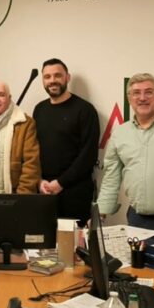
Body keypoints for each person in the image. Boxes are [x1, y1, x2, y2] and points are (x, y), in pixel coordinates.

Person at [97, 73, 154, 232]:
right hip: (136, 218)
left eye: (149, 92)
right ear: (129, 98)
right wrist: (101, 213)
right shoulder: (120, 133)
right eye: (136, 93)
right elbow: (111, 176)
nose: (142, 98)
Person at [33, 58, 99, 225]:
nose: (52, 80)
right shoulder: (39, 109)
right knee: (45, 239)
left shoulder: (85, 110)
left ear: (67, 77)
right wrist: (39, 181)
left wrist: (60, 183)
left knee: (74, 241)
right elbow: (33, 149)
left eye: (57, 75)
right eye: (47, 77)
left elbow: (88, 155)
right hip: (44, 191)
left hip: (75, 193)